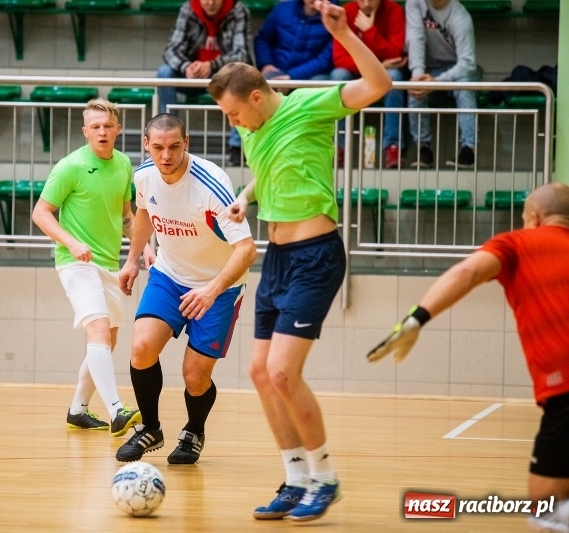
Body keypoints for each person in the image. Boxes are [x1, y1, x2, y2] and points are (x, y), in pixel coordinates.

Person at [208, 0, 391, 521]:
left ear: (260, 96)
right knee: (260, 372)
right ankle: (294, 479)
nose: (232, 121)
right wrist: (248, 195)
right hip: (278, 256)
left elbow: (378, 86)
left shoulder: (310, 105)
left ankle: (325, 477)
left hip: (316, 254)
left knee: (284, 372)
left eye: (234, 112)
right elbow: (272, 167)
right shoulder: (251, 126)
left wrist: (346, 35)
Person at [367, 182, 569, 533]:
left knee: (547, 510)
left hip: (565, 394)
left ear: (534, 218)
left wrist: (416, 319)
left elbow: (467, 272)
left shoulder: (518, 243)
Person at [115, 113, 256, 465]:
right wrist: (133, 259)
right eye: (158, 147)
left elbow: (247, 249)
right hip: (169, 274)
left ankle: (193, 430)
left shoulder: (211, 184)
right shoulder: (144, 175)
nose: (166, 155)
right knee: (142, 346)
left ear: (186, 143)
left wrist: (211, 290)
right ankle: (150, 428)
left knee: (195, 375)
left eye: (175, 147)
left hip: (218, 286)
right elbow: (144, 212)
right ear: (146, 144)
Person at [32, 98, 152, 437]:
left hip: (108, 264)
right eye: (95, 126)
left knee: (108, 341)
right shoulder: (70, 166)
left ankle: (77, 410)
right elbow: (40, 213)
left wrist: (146, 249)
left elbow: (128, 216)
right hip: (75, 263)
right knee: (97, 333)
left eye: (107, 126)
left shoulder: (124, 164)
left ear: (117, 130)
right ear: (86, 131)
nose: (101, 131)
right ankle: (116, 409)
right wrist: (71, 242)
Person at [157, 0, 252, 166]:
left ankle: (236, 147)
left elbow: (242, 54)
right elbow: (171, 50)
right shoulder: (188, 9)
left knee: (243, 74)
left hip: (224, 77)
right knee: (164, 73)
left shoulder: (238, 10)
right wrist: (185, 66)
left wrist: (212, 65)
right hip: (191, 75)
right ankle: (169, 137)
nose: (210, 3)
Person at [329, 0, 407, 169]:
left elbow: (396, 53)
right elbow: (339, 58)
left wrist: (369, 31)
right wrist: (375, 66)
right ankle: (339, 147)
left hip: (384, 73)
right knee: (338, 75)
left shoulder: (394, 11)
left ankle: (393, 147)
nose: (366, 4)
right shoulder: (346, 11)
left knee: (394, 77)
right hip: (357, 70)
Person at [406, 0, 481, 169]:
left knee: (465, 87)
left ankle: (469, 149)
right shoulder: (415, 3)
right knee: (415, 89)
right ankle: (423, 148)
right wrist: (418, 77)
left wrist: (436, 83)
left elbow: (468, 65)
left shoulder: (460, 16)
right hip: (430, 69)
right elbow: (415, 37)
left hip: (459, 70)